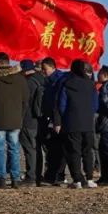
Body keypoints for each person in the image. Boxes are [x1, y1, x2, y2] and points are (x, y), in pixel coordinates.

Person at [0, 52, 29, 188]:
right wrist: (21, 115)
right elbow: (26, 99)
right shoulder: (20, 78)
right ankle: (15, 179)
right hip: (15, 119)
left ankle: (1, 179)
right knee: (14, 149)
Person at [57, 59, 99, 189]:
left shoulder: (67, 84)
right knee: (87, 151)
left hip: (72, 122)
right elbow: (95, 105)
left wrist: (64, 118)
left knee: (74, 152)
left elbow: (62, 105)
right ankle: (90, 178)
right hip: (88, 123)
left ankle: (77, 181)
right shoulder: (91, 85)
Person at [39, 57, 68, 185]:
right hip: (49, 118)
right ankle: (53, 174)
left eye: (45, 69)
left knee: (56, 149)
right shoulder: (48, 81)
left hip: (57, 120)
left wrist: (57, 121)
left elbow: (58, 103)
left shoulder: (59, 81)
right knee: (51, 148)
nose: (43, 72)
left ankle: (56, 175)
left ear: (52, 67)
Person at [18, 60, 45, 182]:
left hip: (28, 119)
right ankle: (38, 175)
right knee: (37, 148)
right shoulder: (42, 79)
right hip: (40, 120)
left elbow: (23, 102)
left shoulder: (27, 82)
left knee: (29, 149)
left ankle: (31, 176)